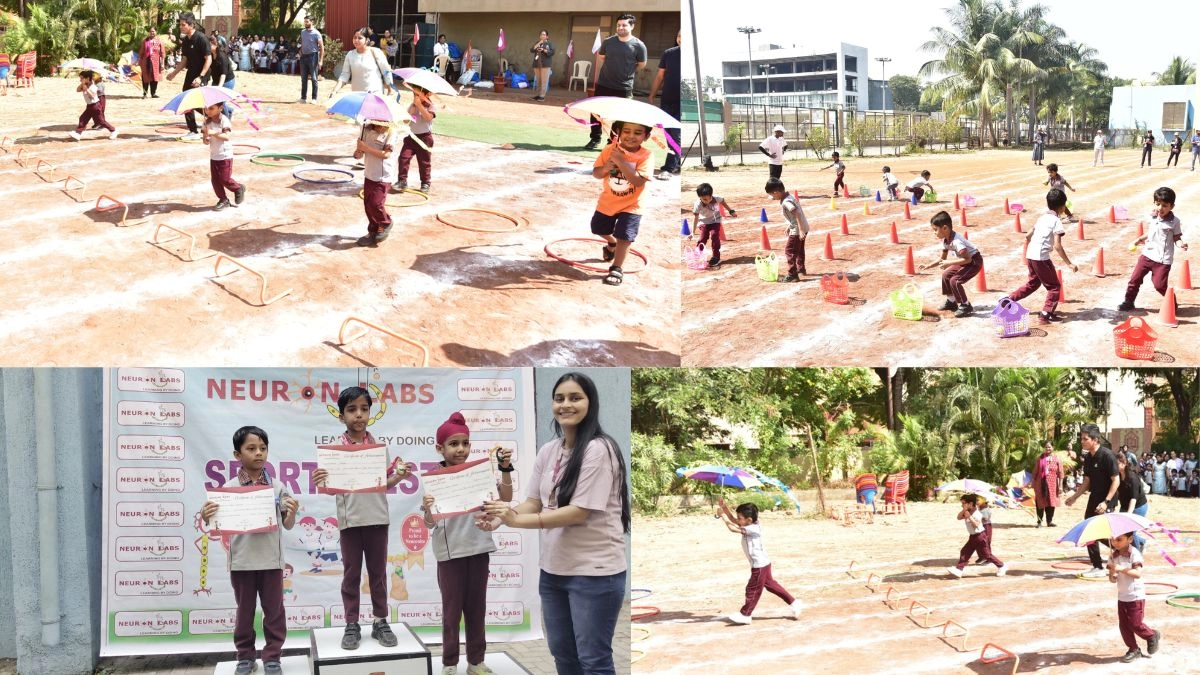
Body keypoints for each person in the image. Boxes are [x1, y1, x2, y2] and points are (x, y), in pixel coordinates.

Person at [480, 372, 630, 675]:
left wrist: (517, 520)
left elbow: (578, 512)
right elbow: (533, 501)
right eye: (559, 398)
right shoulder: (549, 451)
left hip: (594, 575)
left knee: (594, 660)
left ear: (591, 402)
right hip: (553, 573)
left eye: (575, 398)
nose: (565, 404)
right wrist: (499, 518)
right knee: (563, 654)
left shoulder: (600, 450)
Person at [312, 387, 408, 650]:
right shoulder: (334, 451)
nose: (359, 415)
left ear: (370, 413)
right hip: (350, 522)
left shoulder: (379, 449)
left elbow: (382, 483)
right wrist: (321, 481)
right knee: (351, 575)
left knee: (377, 575)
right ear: (341, 416)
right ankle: (351, 623)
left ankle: (380, 621)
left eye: (364, 409)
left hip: (377, 518)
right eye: (352, 410)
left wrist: (398, 477)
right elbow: (331, 487)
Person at [201, 426, 298, 675]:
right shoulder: (227, 490)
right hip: (242, 563)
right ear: (237, 454)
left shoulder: (278, 487)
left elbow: (287, 525)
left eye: (263, 448)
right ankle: (245, 657)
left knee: (274, 612)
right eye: (251, 448)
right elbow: (214, 525)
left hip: (272, 562)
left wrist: (292, 512)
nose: (258, 453)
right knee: (244, 613)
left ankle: (273, 657)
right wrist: (206, 514)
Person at [422, 412, 514, 675]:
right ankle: (450, 664)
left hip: (478, 549)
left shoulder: (479, 474)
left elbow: (505, 496)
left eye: (464, 443)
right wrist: (428, 510)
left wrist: (505, 469)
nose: (460, 449)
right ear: (440, 448)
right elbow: (429, 522)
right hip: (449, 555)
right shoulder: (433, 478)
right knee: (451, 614)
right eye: (453, 444)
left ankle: (476, 662)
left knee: (477, 611)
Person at [715, 499, 801, 624]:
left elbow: (732, 528)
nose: (738, 520)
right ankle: (794, 603)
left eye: (740, 518)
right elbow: (733, 520)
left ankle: (745, 614)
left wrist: (722, 516)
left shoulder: (753, 529)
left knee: (752, 589)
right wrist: (724, 507)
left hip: (759, 565)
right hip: (764, 563)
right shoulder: (748, 523)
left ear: (749, 520)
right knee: (772, 586)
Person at [590, 120, 652, 287]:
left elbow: (638, 181)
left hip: (632, 205)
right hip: (608, 201)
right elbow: (596, 173)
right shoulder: (610, 150)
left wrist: (621, 162)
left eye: (638, 133)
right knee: (597, 228)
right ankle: (611, 243)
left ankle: (617, 268)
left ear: (646, 136)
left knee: (625, 235)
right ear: (618, 132)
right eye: (626, 131)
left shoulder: (646, 156)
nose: (631, 136)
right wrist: (605, 168)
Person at [1008, 188, 1078, 325]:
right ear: (1063, 207)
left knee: (1033, 283)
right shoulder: (1056, 221)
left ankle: (1009, 299)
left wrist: (1035, 246)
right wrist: (1069, 263)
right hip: (1041, 257)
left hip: (1030, 254)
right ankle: (1046, 314)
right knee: (1054, 286)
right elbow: (1058, 246)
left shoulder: (1042, 217)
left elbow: (1028, 235)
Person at [584, 13, 647, 151]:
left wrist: (627, 71)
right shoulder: (608, 42)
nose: (621, 27)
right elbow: (602, 57)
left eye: (624, 25)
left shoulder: (639, 45)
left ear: (632, 26)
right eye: (619, 25)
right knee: (596, 113)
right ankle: (595, 138)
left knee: (621, 116)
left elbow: (641, 64)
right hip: (604, 84)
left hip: (624, 87)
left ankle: (612, 142)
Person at [1064, 424, 1120, 578]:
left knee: (1101, 530)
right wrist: (1074, 497)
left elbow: (1116, 480)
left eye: (1085, 439)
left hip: (1107, 499)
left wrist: (1106, 502)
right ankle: (1097, 566)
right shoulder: (1088, 457)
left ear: (1095, 440)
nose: (1082, 441)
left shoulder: (1107, 456)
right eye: (1081, 438)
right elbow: (1086, 481)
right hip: (1094, 497)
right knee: (1088, 529)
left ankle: (1124, 547)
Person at [1119, 187, 1187, 312]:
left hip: (1162, 260)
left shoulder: (1174, 222)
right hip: (1147, 255)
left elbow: (1177, 237)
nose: (1160, 208)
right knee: (1134, 279)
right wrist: (1139, 239)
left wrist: (1181, 244)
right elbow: (1151, 233)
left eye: (1165, 205)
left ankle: (1171, 302)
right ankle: (1129, 301)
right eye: (1158, 204)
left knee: (1159, 285)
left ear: (1171, 206)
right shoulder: (1153, 216)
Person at [1107, 531, 1161, 662]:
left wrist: (1121, 569)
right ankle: (1133, 649)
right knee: (1124, 626)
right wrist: (1112, 575)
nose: (1115, 543)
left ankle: (1151, 635)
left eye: (1119, 539)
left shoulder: (1134, 554)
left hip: (1135, 595)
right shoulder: (1112, 556)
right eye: (1113, 540)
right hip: (1122, 595)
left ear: (1130, 539)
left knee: (1135, 623)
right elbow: (1111, 578)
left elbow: (1137, 573)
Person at [919, 210, 982, 318]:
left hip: (974, 262)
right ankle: (951, 301)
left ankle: (965, 305)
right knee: (946, 275)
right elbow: (942, 259)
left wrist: (949, 262)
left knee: (955, 280)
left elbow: (968, 260)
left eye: (935, 230)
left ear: (945, 228)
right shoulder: (946, 240)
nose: (934, 233)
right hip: (964, 260)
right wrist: (928, 265)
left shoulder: (957, 242)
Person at [166, 13, 211, 141]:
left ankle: (214, 115)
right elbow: (185, 59)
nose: (180, 27)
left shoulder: (201, 38)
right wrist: (174, 73)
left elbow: (208, 59)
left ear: (191, 25)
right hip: (191, 72)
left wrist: (201, 77)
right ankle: (193, 130)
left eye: (183, 25)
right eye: (180, 24)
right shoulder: (186, 40)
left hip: (202, 74)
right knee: (185, 99)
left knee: (197, 100)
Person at [353, 120, 398, 247]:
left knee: (376, 203)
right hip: (369, 173)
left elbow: (386, 154)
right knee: (368, 205)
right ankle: (373, 230)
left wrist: (366, 148)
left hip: (383, 176)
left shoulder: (391, 132)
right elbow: (358, 154)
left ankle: (386, 222)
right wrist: (358, 152)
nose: (382, 123)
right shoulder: (365, 129)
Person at [947, 494, 1006, 578]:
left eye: (963, 503)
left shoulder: (977, 513)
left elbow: (976, 524)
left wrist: (969, 517)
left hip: (980, 536)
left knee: (986, 555)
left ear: (970, 504)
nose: (962, 505)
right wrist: (964, 511)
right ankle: (959, 569)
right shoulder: (967, 511)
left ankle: (1001, 566)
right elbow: (958, 517)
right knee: (964, 552)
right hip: (973, 536)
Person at [200, 101, 246, 211]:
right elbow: (205, 140)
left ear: (220, 108)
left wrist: (213, 132)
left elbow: (227, 136)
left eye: (211, 108)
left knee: (224, 178)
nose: (207, 111)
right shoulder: (206, 121)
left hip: (225, 155)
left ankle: (238, 188)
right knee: (215, 180)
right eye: (206, 108)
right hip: (214, 155)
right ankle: (223, 199)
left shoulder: (224, 120)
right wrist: (206, 138)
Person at [647, 30, 680, 179]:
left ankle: (669, 167)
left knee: (675, 134)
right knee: (668, 134)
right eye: (679, 36)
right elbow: (660, 76)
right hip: (667, 100)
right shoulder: (669, 53)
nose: (681, 39)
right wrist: (651, 95)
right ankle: (676, 163)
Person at [329, 27, 395, 99]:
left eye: (360, 38)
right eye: (354, 37)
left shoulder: (376, 52)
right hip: (357, 95)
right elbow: (344, 75)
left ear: (367, 40)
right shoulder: (350, 55)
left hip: (375, 94)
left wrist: (390, 90)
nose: (356, 40)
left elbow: (386, 71)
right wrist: (334, 91)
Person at [765, 177, 808, 282]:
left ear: (776, 192)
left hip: (798, 229)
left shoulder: (786, 202)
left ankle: (792, 274)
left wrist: (800, 230)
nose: (772, 197)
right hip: (803, 226)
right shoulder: (790, 196)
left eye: (771, 194)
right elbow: (794, 215)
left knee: (790, 251)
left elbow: (796, 212)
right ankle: (800, 268)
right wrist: (789, 226)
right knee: (799, 249)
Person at [396, 84, 436, 194]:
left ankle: (425, 183)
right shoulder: (412, 105)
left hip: (425, 138)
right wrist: (414, 107)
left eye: (418, 94)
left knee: (424, 162)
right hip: (412, 137)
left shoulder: (430, 106)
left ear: (427, 94)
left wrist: (420, 106)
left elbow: (428, 118)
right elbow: (405, 121)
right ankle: (402, 181)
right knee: (403, 157)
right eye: (414, 94)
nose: (415, 96)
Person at [692, 183, 736, 268]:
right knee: (703, 237)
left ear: (711, 195)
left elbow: (723, 202)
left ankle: (716, 257)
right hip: (703, 222)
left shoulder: (717, 198)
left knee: (715, 235)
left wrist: (731, 211)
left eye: (709, 199)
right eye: (704, 199)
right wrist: (692, 232)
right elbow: (695, 218)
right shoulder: (697, 205)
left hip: (715, 220)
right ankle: (698, 254)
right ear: (699, 197)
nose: (707, 201)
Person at [68, 70, 117, 141]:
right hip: (89, 106)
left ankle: (113, 131)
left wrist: (86, 89)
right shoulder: (85, 85)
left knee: (101, 121)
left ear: (87, 78)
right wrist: (83, 84)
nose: (80, 80)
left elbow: (92, 95)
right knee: (82, 118)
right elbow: (77, 90)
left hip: (95, 106)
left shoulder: (93, 86)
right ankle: (78, 133)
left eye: (82, 78)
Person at [1115, 453, 1149, 552]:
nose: (1114, 466)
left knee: (1130, 531)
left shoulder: (1133, 478)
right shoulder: (1117, 476)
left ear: (1124, 463)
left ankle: (1137, 555)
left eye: (1116, 464)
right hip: (1124, 506)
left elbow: (1133, 499)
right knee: (1122, 530)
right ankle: (1142, 541)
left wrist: (1129, 515)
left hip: (1138, 507)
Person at [1033, 440, 1065, 527]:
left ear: (1053, 448)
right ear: (1044, 448)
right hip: (1040, 485)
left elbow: (1061, 473)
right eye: (1046, 447)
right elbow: (1035, 473)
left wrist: (1061, 485)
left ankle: (1049, 521)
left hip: (1052, 485)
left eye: (1049, 447)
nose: (1048, 448)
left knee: (1051, 502)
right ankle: (1039, 522)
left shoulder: (1057, 459)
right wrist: (1034, 484)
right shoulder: (1040, 459)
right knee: (1040, 502)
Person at [205, 35, 236, 119]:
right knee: (213, 101)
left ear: (215, 45)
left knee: (220, 102)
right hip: (216, 81)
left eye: (209, 45)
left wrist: (219, 87)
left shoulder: (222, 56)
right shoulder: (210, 55)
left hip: (227, 81)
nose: (207, 47)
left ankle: (225, 121)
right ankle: (229, 110)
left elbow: (223, 73)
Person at [297, 17, 325, 103]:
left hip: (313, 57)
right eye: (304, 21)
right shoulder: (302, 32)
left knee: (314, 78)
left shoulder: (317, 33)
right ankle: (303, 98)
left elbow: (322, 47)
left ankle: (314, 98)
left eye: (307, 21)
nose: (305, 23)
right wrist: (300, 52)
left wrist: (320, 61)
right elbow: (302, 43)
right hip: (303, 57)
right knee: (303, 78)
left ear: (312, 22)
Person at [528, 30, 555, 102]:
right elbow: (532, 50)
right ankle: (538, 95)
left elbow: (552, 52)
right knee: (538, 81)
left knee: (544, 81)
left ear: (547, 36)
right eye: (541, 35)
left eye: (544, 34)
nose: (542, 36)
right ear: (540, 36)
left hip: (545, 65)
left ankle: (542, 96)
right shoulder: (538, 43)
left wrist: (543, 50)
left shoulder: (549, 44)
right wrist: (539, 43)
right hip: (537, 65)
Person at [139, 26, 165, 99]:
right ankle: (145, 93)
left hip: (156, 63)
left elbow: (162, 53)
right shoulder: (145, 41)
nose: (152, 33)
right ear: (149, 32)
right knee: (145, 77)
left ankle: (153, 93)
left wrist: (162, 63)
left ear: (156, 32)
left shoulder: (159, 41)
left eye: (153, 31)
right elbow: (141, 52)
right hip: (146, 62)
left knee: (155, 77)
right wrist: (140, 62)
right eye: (150, 31)